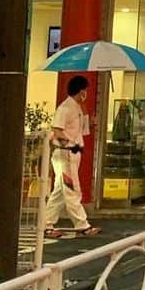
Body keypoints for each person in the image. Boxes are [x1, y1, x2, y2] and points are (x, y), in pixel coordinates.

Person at [45, 75, 99, 238]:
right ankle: (82, 225)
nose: (86, 94)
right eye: (85, 91)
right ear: (81, 91)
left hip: (72, 154)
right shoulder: (65, 108)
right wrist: (70, 144)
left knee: (60, 192)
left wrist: (90, 122)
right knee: (72, 189)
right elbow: (57, 130)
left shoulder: (77, 108)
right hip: (65, 154)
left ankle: (46, 224)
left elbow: (79, 130)